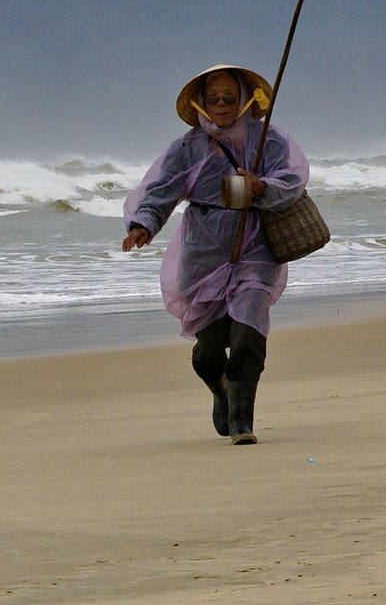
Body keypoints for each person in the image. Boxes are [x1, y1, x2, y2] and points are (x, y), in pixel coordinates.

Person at [121, 64, 309, 444]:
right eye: (213, 98)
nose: (221, 105)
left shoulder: (269, 141)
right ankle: (221, 390)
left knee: (248, 334)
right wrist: (143, 223)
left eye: (229, 97)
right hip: (203, 252)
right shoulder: (186, 147)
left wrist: (260, 186)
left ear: (243, 99)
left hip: (255, 247)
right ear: (201, 103)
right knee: (208, 352)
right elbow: (161, 190)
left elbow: (293, 182)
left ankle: (242, 422)